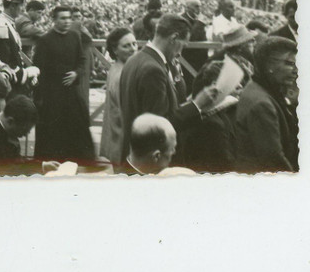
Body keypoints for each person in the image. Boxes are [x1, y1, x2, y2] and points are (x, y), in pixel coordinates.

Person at [117, 13, 220, 162]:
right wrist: (197, 105)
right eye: (183, 44)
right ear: (173, 38)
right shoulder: (153, 69)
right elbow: (159, 127)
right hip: (150, 161)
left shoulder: (135, 60)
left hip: (134, 151)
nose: (181, 51)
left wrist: (188, 102)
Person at [32, 5, 94, 162]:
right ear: (54, 20)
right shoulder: (45, 40)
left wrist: (76, 73)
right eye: (63, 18)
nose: (67, 21)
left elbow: (81, 60)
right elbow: (39, 69)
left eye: (69, 18)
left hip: (71, 92)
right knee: (53, 133)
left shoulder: (75, 36)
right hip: (52, 94)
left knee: (77, 130)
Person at [233, 35, 298, 172]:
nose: (296, 70)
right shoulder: (262, 104)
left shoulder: (258, 86)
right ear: (269, 65)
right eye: (290, 64)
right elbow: (274, 161)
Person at [98, 25, 136, 164]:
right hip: (121, 141)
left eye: (134, 43)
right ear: (115, 50)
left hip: (114, 137)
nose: (133, 49)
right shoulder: (122, 75)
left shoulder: (115, 68)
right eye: (126, 46)